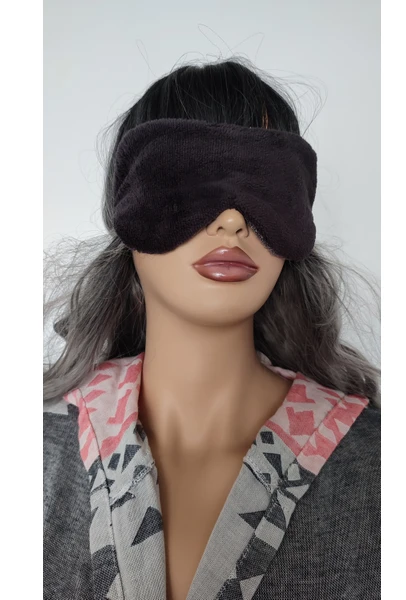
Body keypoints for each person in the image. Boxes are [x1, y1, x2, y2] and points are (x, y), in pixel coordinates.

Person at [43, 58, 381, 600]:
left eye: (265, 183)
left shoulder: (382, 470)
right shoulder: (37, 453)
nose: (232, 220)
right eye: (187, 177)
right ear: (126, 212)